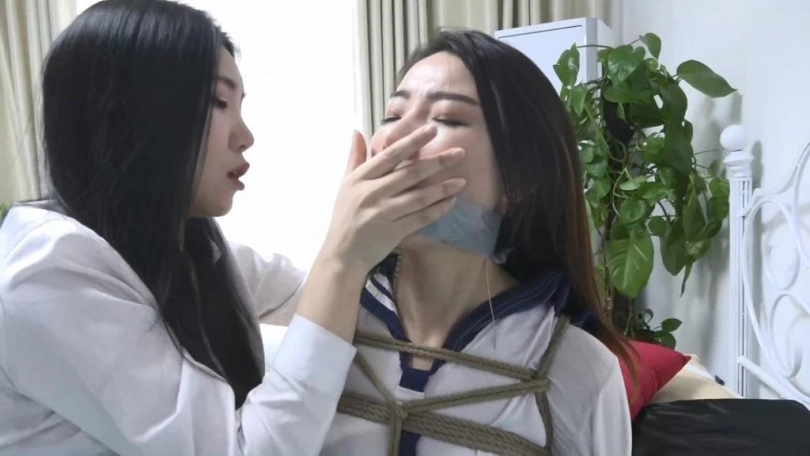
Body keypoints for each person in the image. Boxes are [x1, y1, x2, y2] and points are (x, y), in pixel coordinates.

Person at [0, 1, 469, 455]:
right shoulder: (45, 273)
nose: (245, 136)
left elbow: (311, 296)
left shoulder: (189, 245)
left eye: (448, 119)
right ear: (127, 111)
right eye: (218, 101)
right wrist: (344, 254)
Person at [262, 30, 635, 456]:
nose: (394, 140)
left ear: (518, 180)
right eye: (392, 115)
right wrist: (340, 253)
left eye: (446, 119)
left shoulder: (578, 369)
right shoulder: (326, 318)